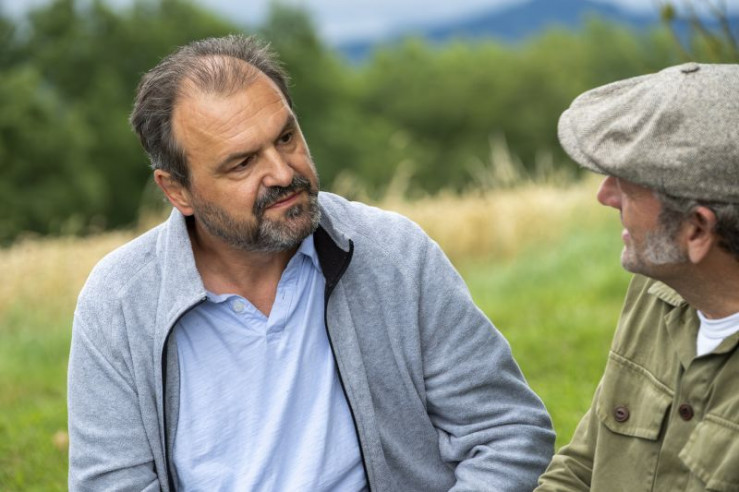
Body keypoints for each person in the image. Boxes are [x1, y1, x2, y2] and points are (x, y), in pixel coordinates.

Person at [67, 34, 554, 491]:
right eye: (242, 163)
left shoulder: (396, 255)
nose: (283, 173)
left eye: (285, 138)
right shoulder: (119, 303)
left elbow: (508, 430)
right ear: (177, 191)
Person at [535, 62, 739, 491]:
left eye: (629, 184)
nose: (605, 195)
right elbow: (582, 467)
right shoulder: (658, 288)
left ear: (696, 230)